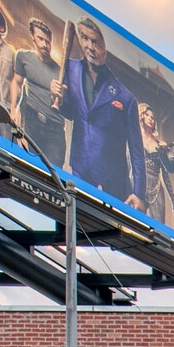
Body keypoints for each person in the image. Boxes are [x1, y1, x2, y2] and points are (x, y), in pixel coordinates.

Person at [56, 17, 144, 208]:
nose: (89, 46)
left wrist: (139, 194)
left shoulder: (125, 97)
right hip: (80, 169)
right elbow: (71, 113)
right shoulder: (70, 69)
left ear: (105, 46)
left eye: (95, 41)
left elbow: (136, 150)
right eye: (84, 38)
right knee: (74, 219)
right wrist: (59, 98)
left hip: (113, 181)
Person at [7, 18, 67, 166]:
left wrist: (58, 95)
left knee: (52, 173)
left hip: (54, 129)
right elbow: (17, 82)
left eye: (48, 41)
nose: (44, 44)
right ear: (33, 37)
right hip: (32, 121)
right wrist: (13, 109)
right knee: (28, 166)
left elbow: (70, 108)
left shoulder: (61, 72)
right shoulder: (24, 57)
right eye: (40, 39)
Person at [137, 103, 174, 229]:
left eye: (152, 117)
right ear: (141, 115)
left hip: (155, 188)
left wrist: (173, 203)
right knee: (133, 221)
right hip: (138, 182)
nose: (150, 119)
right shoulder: (135, 138)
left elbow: (165, 174)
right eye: (147, 115)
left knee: (157, 228)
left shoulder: (159, 144)